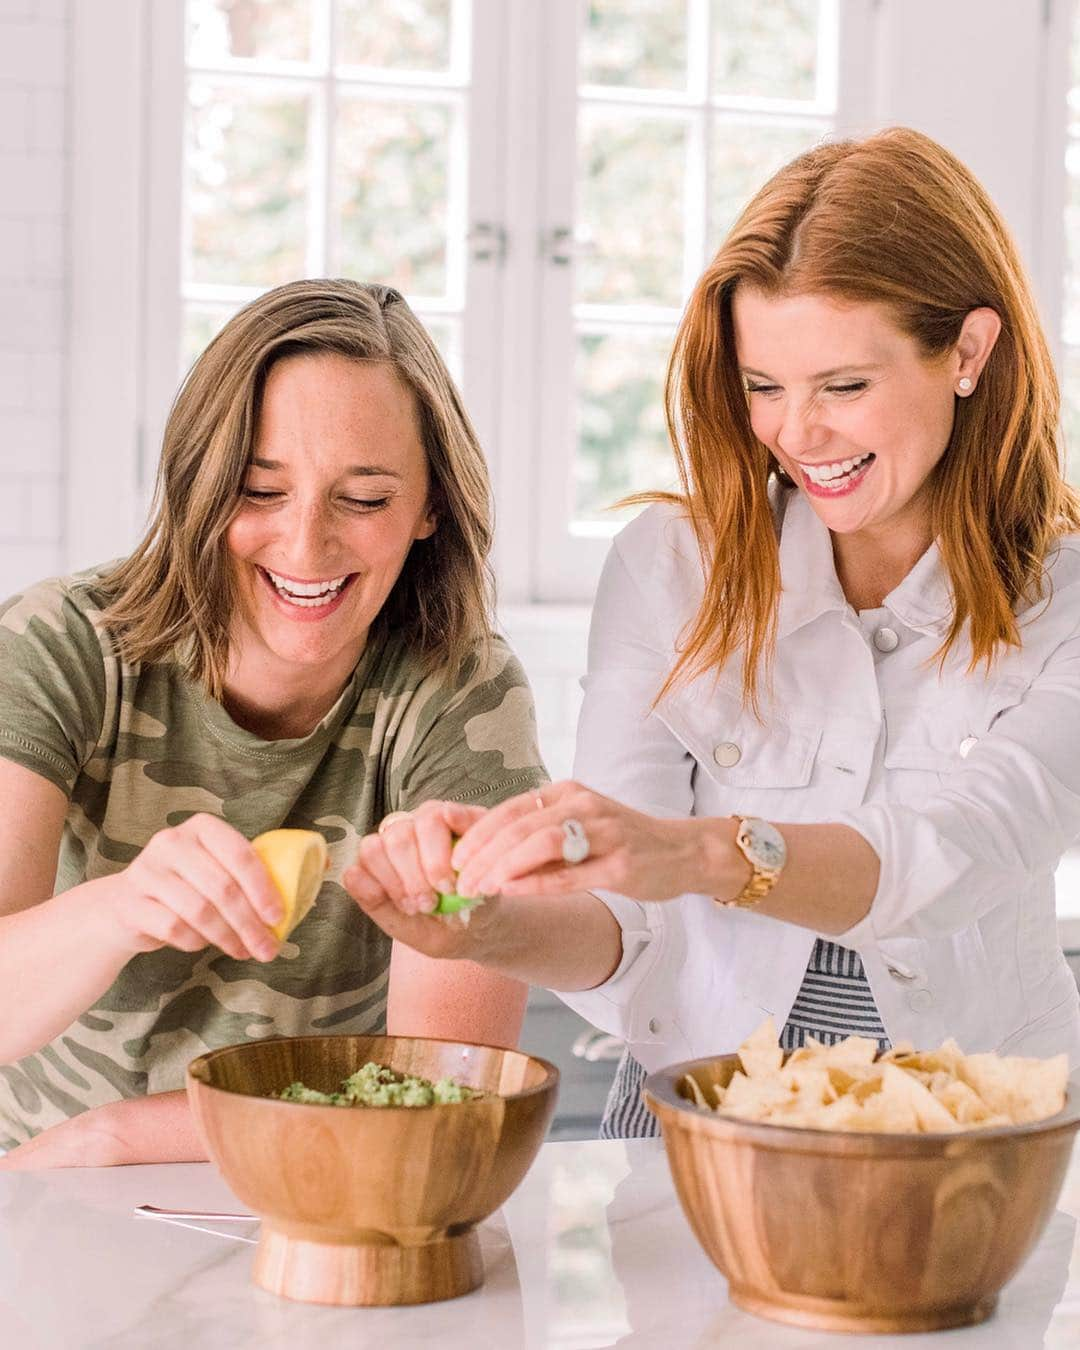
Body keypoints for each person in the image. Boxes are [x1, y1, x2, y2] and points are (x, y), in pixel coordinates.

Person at [342, 126, 1080, 1139]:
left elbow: (953, 851)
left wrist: (705, 853)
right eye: (764, 387)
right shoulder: (668, 569)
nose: (796, 435)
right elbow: (624, 933)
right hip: (696, 1135)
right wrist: (484, 926)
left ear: (969, 351)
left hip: (971, 1145)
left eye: (844, 387)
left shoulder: (1066, 599)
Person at [0, 279, 547, 1166]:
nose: (305, 547)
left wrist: (115, 1135)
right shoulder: (58, 648)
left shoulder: (459, 691)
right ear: (199, 486)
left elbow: (446, 1083)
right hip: (38, 1187)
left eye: (364, 500)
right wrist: (124, 907)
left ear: (429, 507)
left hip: (311, 1181)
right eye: (260, 491)